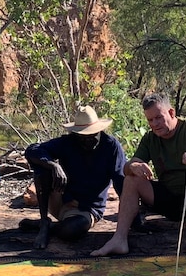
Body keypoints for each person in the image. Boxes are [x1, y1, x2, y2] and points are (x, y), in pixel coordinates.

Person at [91, 92, 186, 257]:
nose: (155, 123)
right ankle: (119, 239)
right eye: (150, 120)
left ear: (171, 113)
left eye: (159, 117)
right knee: (132, 179)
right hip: (173, 204)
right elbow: (126, 169)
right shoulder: (149, 138)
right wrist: (135, 166)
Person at [23, 105, 126, 249]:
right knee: (42, 168)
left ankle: (48, 226)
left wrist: (132, 220)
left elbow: (120, 181)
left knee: (72, 230)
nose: (89, 140)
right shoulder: (67, 142)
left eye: (93, 136)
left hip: (86, 209)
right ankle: (44, 221)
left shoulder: (111, 146)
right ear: (76, 134)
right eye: (84, 137)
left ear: (100, 131)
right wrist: (53, 165)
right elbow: (32, 150)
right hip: (61, 198)